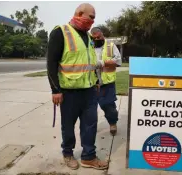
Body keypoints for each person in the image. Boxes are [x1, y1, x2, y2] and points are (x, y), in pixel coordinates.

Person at [46, 3, 108, 170]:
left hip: (88, 92)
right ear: (80, 13)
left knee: (90, 125)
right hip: (68, 91)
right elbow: (51, 63)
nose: (93, 21)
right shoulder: (61, 32)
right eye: (91, 17)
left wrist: (95, 82)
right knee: (68, 125)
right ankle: (67, 153)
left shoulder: (87, 36)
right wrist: (55, 90)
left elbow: (90, 63)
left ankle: (88, 156)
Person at [90, 27, 122, 136]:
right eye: (94, 38)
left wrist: (103, 63)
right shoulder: (88, 47)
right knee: (90, 108)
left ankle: (113, 123)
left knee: (108, 105)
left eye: (99, 37)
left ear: (102, 35)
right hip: (92, 83)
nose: (97, 39)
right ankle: (91, 127)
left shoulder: (110, 46)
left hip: (107, 83)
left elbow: (118, 60)